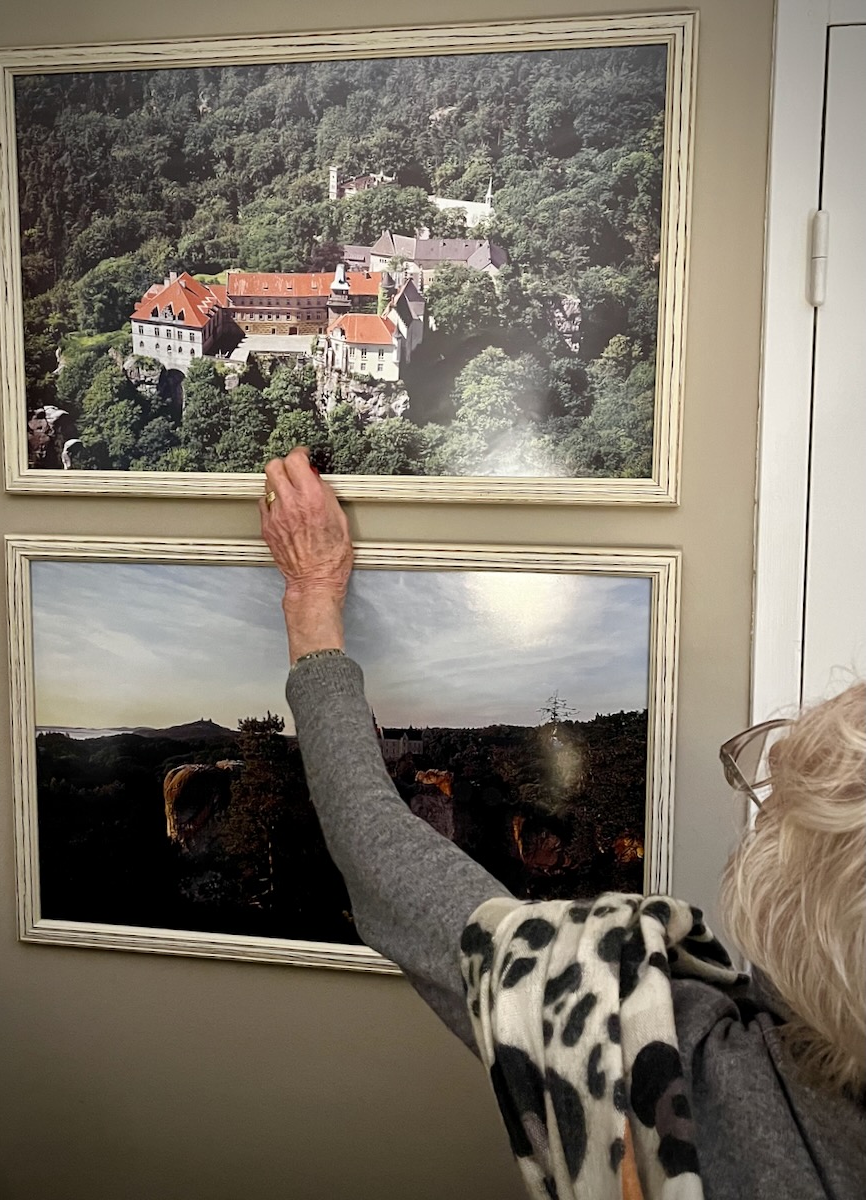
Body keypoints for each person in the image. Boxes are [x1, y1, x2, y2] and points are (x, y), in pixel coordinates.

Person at [259, 447, 865, 1200]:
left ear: (798, 911)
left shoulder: (674, 1079)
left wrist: (312, 595)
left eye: (778, 802)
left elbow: (380, 856)